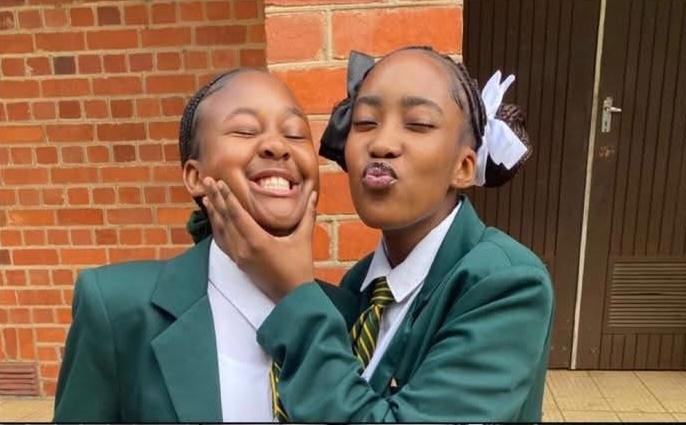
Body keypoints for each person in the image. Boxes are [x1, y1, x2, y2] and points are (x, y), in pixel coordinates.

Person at [204, 46, 554, 422]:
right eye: (365, 122)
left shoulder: (506, 283)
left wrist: (294, 295)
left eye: (418, 124)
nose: (381, 144)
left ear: (464, 167)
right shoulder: (361, 285)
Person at [52, 68, 353, 422]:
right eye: (245, 130)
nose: (277, 145)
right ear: (196, 177)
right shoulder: (117, 308)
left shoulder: (348, 315)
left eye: (295, 133)